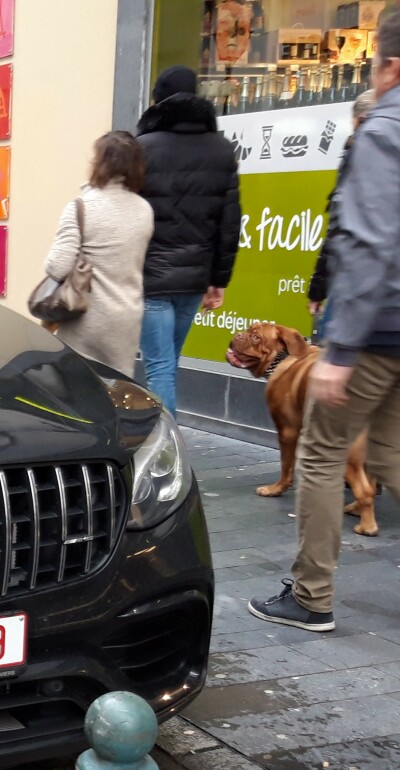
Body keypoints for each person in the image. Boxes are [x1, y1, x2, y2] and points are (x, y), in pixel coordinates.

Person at [249, 12, 400, 633]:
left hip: (376, 328)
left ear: (391, 67)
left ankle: (311, 597)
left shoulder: (383, 131)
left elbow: (370, 244)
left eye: (373, 66)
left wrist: (339, 348)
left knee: (319, 452)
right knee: (389, 452)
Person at [136, 65, 242, 418]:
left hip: (152, 276)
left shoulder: (142, 148)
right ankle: (168, 443)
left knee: (159, 366)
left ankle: (168, 451)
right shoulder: (222, 149)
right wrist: (219, 280)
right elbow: (229, 223)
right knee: (170, 363)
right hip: (195, 277)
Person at [41, 131, 155, 378]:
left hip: (86, 318)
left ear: (100, 162)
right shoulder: (145, 210)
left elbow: (57, 267)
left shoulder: (81, 207)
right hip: (126, 318)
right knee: (119, 391)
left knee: (79, 392)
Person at [308, 89, 378, 344]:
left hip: (352, 281)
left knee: (329, 355)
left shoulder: (358, 153)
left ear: (359, 120)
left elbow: (338, 231)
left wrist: (318, 289)